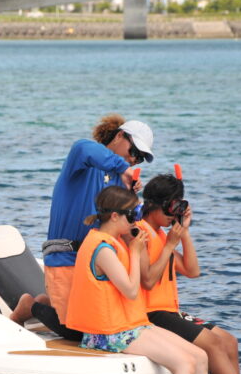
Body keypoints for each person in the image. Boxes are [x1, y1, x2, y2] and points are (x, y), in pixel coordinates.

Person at [65, 185, 211, 374]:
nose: (136, 219)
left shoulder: (116, 241)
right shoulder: (102, 249)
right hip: (109, 333)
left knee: (200, 356)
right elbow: (131, 290)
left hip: (129, 325)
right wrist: (135, 252)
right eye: (132, 215)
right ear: (114, 216)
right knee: (184, 363)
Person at [137, 174, 241, 374]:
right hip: (151, 312)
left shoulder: (161, 233)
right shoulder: (142, 233)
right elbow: (147, 281)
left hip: (170, 310)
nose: (173, 216)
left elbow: (192, 271)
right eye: (171, 210)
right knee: (212, 343)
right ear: (154, 206)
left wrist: (185, 233)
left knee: (229, 341)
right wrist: (171, 244)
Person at [33, 114, 153, 337]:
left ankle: (46, 301)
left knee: (98, 327)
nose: (134, 160)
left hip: (96, 263)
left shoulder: (120, 181)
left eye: (140, 159)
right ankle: (30, 306)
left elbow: (122, 224)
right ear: (119, 136)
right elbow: (83, 148)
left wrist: (133, 199)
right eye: (134, 152)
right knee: (76, 332)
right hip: (65, 257)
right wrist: (123, 168)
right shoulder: (83, 161)